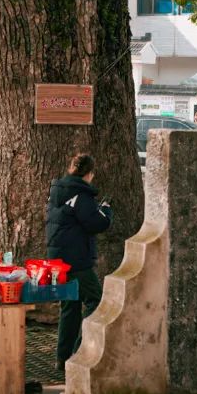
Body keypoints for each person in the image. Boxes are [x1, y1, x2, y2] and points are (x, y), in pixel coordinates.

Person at [46, 153, 113, 370]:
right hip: (76, 260)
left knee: (70, 306)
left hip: (58, 259)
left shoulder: (57, 191)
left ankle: (62, 357)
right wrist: (106, 211)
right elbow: (96, 224)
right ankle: (79, 351)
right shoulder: (81, 195)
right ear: (89, 174)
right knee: (95, 300)